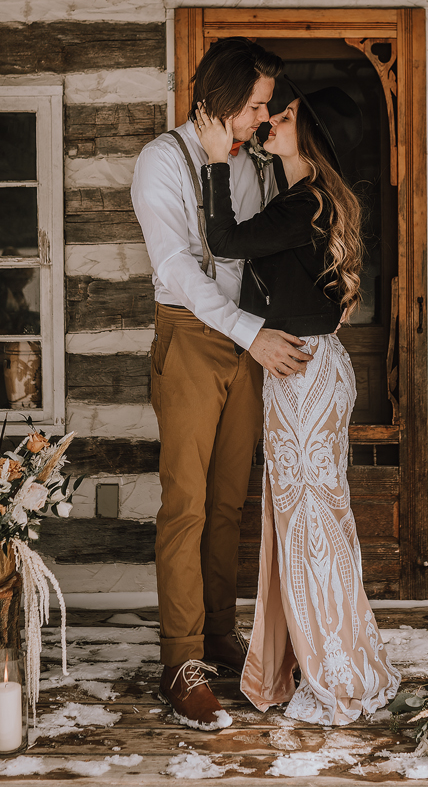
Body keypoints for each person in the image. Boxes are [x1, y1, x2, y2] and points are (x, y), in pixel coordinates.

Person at [194, 78, 400, 726]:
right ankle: (313, 659)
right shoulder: (312, 203)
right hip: (312, 367)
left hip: (304, 376)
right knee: (310, 521)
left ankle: (336, 670)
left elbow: (225, 241)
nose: (271, 122)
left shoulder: (304, 203)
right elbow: (283, 287)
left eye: (282, 116)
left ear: (306, 133)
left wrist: (215, 162)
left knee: (310, 526)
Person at [131, 38, 313, 732]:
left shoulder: (256, 164)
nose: (263, 118)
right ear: (224, 97)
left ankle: (217, 636)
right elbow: (177, 268)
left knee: (231, 503)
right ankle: (180, 663)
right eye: (256, 105)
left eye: (267, 106)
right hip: (191, 339)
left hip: (251, 343)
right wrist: (251, 333)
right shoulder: (160, 161)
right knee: (187, 504)